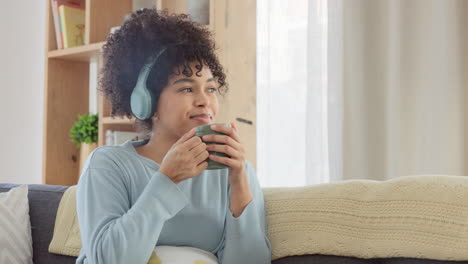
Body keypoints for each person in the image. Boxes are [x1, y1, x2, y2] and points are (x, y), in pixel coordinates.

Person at [76, 8, 272, 264]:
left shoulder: (235, 171)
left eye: (211, 88)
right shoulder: (108, 165)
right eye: (187, 88)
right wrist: (166, 180)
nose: (205, 101)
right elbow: (109, 259)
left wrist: (239, 183)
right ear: (146, 102)